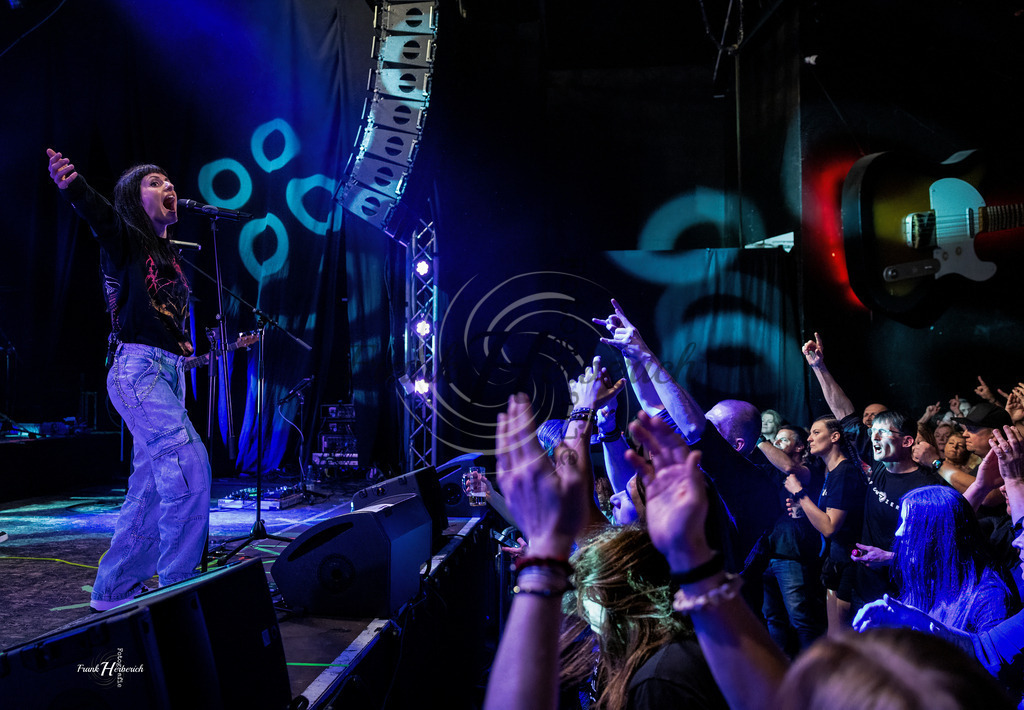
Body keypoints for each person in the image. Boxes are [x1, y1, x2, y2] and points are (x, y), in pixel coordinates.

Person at [46, 149, 212, 611]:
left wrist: (182, 346)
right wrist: (74, 184)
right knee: (188, 463)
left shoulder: (170, 255)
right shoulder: (125, 239)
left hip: (165, 373)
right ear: (133, 199)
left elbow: (159, 312)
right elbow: (100, 215)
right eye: (155, 182)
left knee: (152, 489)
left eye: (169, 181)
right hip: (137, 372)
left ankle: (113, 589)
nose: (168, 187)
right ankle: (180, 588)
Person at [800, 332, 945, 610]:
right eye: (873, 433)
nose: (874, 438)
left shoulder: (927, 486)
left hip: (906, 589)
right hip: (865, 582)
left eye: (883, 433)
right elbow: (843, 412)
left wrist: (891, 558)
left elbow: (936, 547)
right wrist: (819, 367)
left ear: (907, 441)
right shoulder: (877, 466)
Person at [559, 525, 728, 710]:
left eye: (587, 592)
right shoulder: (666, 655)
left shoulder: (658, 681)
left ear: (618, 598)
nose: (581, 607)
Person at [889, 485, 1015, 633]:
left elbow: (988, 655)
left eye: (909, 523)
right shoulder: (928, 580)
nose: (899, 532)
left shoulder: (989, 599)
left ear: (938, 533)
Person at [784, 416, 866, 635]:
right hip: (836, 559)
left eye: (816, 433)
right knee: (833, 635)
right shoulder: (831, 472)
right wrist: (806, 511)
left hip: (850, 562)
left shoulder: (845, 472)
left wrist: (799, 493)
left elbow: (830, 527)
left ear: (835, 436)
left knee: (843, 639)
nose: (809, 438)